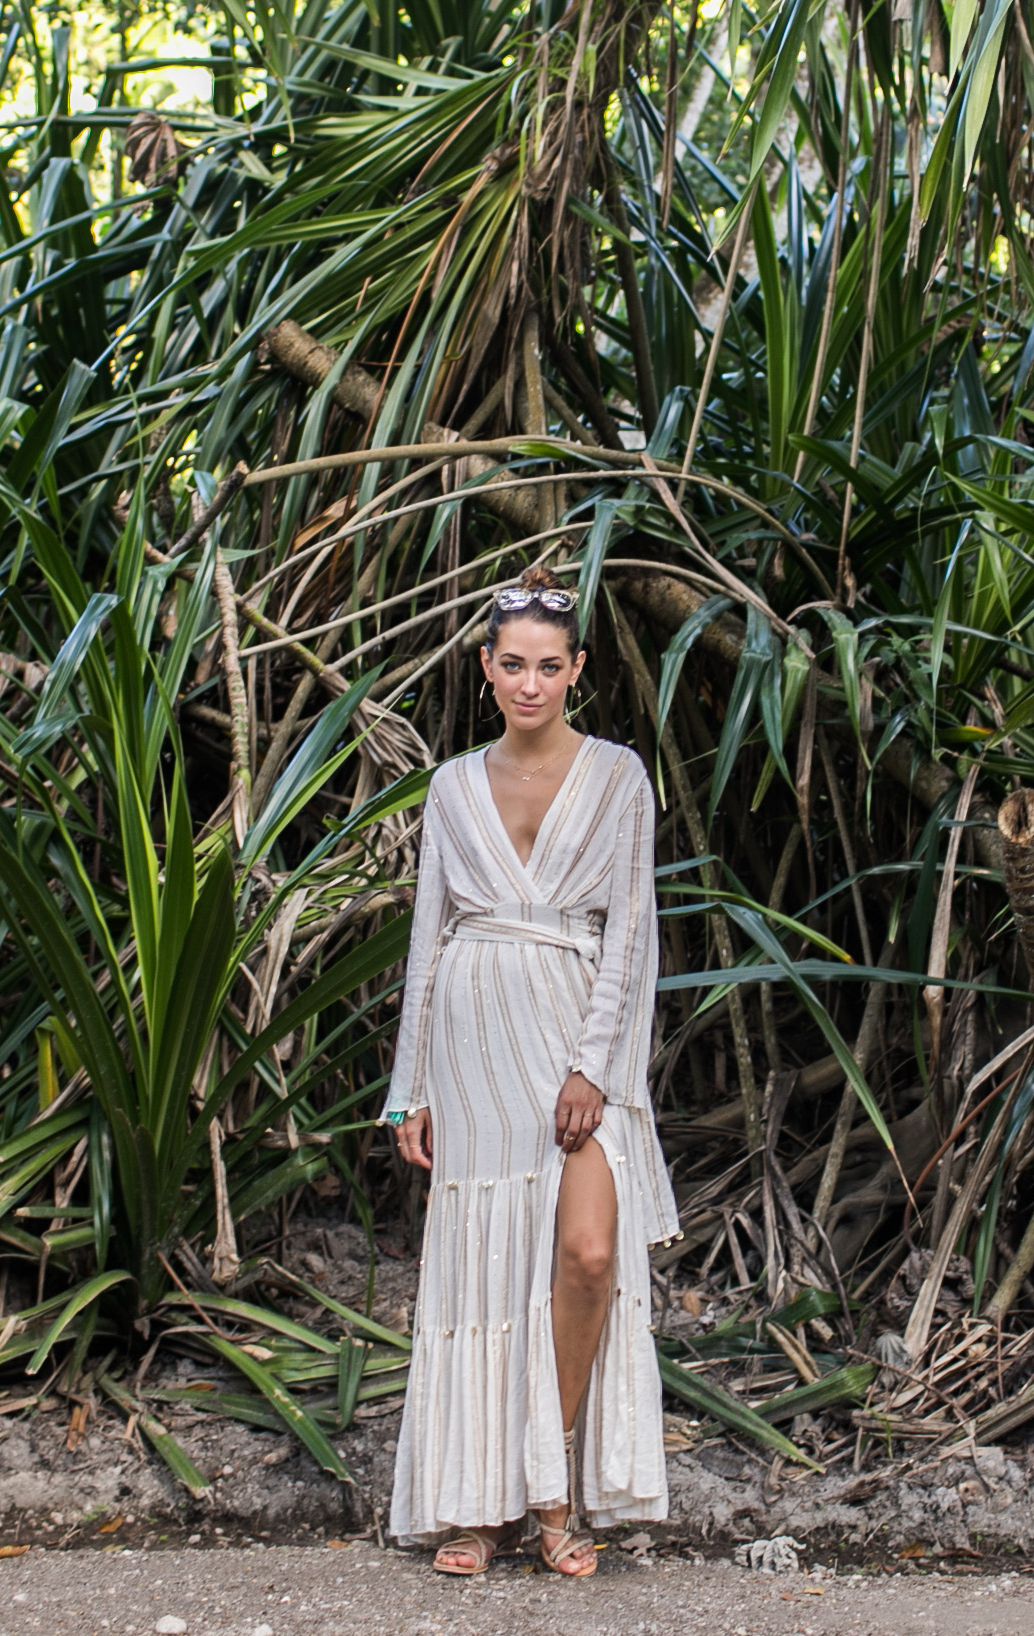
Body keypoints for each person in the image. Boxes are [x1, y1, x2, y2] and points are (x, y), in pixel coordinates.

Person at [380, 567, 679, 1577]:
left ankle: (548, 1475)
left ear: (577, 670)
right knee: (487, 1260)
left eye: (549, 666)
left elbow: (632, 933)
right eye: (513, 663)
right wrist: (407, 1084)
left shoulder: (620, 776)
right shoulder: (451, 785)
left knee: (588, 1252)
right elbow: (429, 935)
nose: (530, 682)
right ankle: (485, 1505)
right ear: (486, 667)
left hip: (572, 1029)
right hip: (472, 1042)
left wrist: (595, 1065)